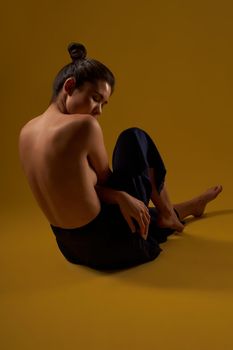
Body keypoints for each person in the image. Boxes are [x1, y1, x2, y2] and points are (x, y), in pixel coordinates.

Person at [18, 43, 223, 270]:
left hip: (70, 248)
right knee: (133, 138)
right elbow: (106, 181)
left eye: (103, 104)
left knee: (129, 206)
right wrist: (119, 196)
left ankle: (190, 207)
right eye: (95, 98)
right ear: (69, 86)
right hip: (113, 246)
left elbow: (76, 192)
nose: (99, 111)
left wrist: (117, 197)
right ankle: (167, 214)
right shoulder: (84, 126)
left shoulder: (26, 131)